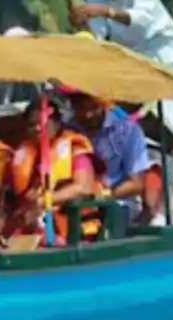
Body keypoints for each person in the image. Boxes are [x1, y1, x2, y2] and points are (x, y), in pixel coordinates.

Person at [68, 0, 173, 155]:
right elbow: (96, 37)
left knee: (171, 117)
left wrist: (106, 11)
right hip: (133, 59)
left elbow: (141, 22)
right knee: (137, 116)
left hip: (164, 53)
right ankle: (146, 165)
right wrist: (81, 26)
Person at [0, 95, 101, 246]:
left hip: (72, 227)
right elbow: (8, 195)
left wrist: (42, 201)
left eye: (42, 123)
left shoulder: (75, 149)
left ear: (57, 123)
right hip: (30, 225)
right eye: (32, 125)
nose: (37, 129)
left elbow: (83, 187)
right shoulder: (23, 153)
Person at [68, 91, 161, 224]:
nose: (88, 115)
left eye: (93, 107)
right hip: (73, 206)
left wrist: (104, 195)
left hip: (117, 206)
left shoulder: (128, 131)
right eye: (81, 108)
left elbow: (137, 183)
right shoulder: (68, 130)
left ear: (104, 104)